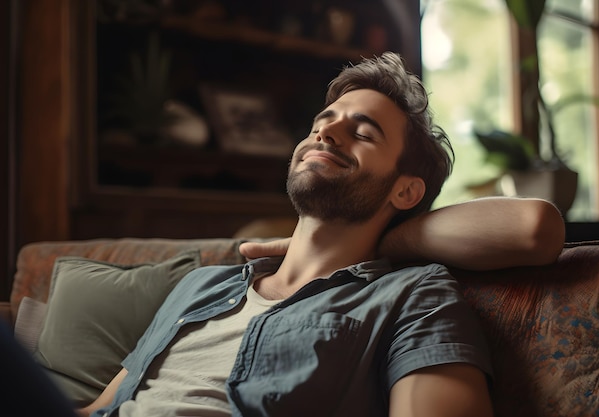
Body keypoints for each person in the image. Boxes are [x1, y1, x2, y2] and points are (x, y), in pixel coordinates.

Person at [79, 52, 564, 417]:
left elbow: (534, 227)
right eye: (322, 123)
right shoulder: (202, 286)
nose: (326, 135)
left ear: (406, 191)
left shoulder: (411, 296)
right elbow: (101, 406)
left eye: (363, 132)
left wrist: (388, 243)